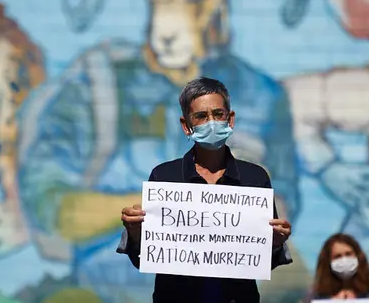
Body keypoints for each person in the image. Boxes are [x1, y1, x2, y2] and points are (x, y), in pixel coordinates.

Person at [117, 77, 294, 303]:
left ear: (230, 119)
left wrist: (275, 242)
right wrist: (135, 232)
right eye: (201, 116)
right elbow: (144, 258)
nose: (211, 122)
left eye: (218, 114)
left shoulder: (255, 178)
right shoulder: (164, 177)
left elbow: (262, 261)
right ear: (186, 126)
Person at [306, 233, 369, 300]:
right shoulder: (315, 296)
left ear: (358, 257)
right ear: (328, 262)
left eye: (348, 254)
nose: (344, 260)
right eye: (337, 256)